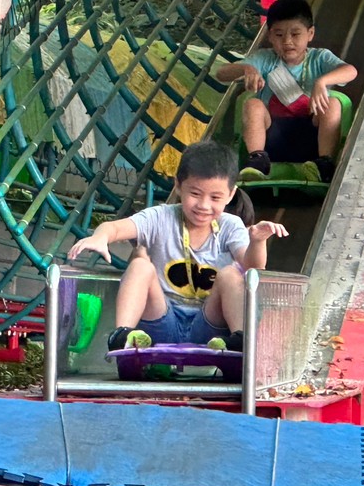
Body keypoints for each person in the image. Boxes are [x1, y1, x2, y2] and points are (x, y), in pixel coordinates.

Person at [67, 141, 287, 352]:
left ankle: (240, 340)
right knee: (140, 266)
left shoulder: (230, 225)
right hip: (162, 320)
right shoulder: (160, 217)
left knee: (231, 274)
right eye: (195, 194)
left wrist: (258, 241)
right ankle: (123, 335)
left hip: (209, 325)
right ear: (178, 185)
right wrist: (100, 237)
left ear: (230, 195)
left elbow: (252, 266)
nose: (203, 205)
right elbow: (113, 228)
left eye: (215, 197)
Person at [215, 0, 358, 183]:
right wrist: (246, 69)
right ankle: (257, 161)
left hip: (313, 139)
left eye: (296, 34)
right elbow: (221, 73)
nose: (288, 41)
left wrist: (322, 82)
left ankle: (324, 164)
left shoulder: (319, 58)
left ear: (310, 33)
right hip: (272, 140)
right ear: (270, 36)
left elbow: (350, 71)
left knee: (332, 103)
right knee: (253, 104)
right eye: (280, 35)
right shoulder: (265, 59)